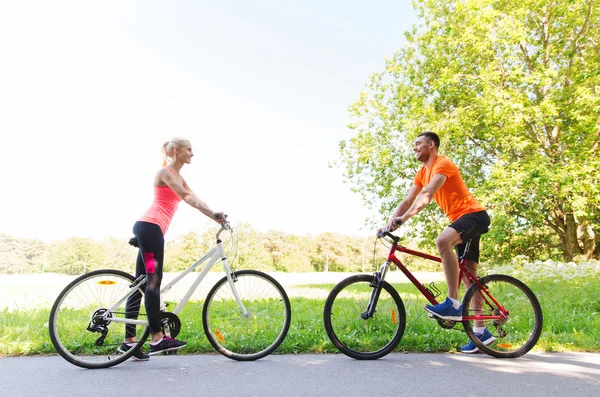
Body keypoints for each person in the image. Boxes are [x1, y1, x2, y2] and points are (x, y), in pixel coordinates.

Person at [380, 131, 494, 353]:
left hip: (473, 216)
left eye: (418, 144)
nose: (414, 147)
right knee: (470, 279)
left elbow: (428, 194)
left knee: (443, 241)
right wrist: (389, 224)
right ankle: (482, 334)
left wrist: (405, 219)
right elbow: (408, 199)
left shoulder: (443, 164)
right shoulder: (422, 172)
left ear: (431, 145)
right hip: (462, 220)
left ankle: (452, 303)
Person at [119, 137, 225, 360]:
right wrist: (213, 215)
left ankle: (128, 342)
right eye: (189, 149)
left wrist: (213, 214)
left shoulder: (179, 177)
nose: (192, 153)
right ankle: (157, 338)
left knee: (141, 282)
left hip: (149, 230)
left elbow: (194, 197)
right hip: (150, 229)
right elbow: (186, 198)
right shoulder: (165, 172)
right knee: (153, 279)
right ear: (176, 150)